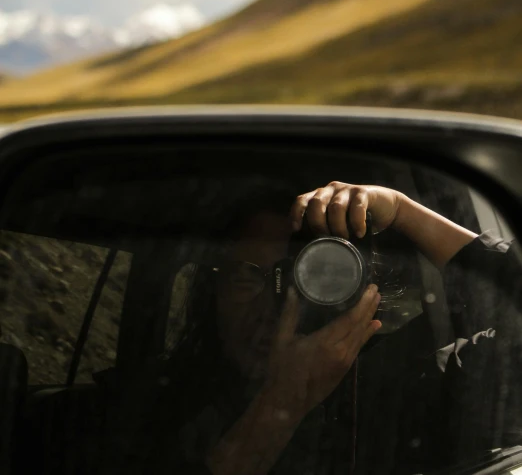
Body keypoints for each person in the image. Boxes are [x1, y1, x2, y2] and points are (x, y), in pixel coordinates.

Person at [106, 181, 522, 475]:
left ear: (352, 292)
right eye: (248, 277)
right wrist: (284, 402)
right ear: (210, 291)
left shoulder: (401, 390)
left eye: (308, 278)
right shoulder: (149, 408)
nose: (274, 305)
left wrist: (402, 210)